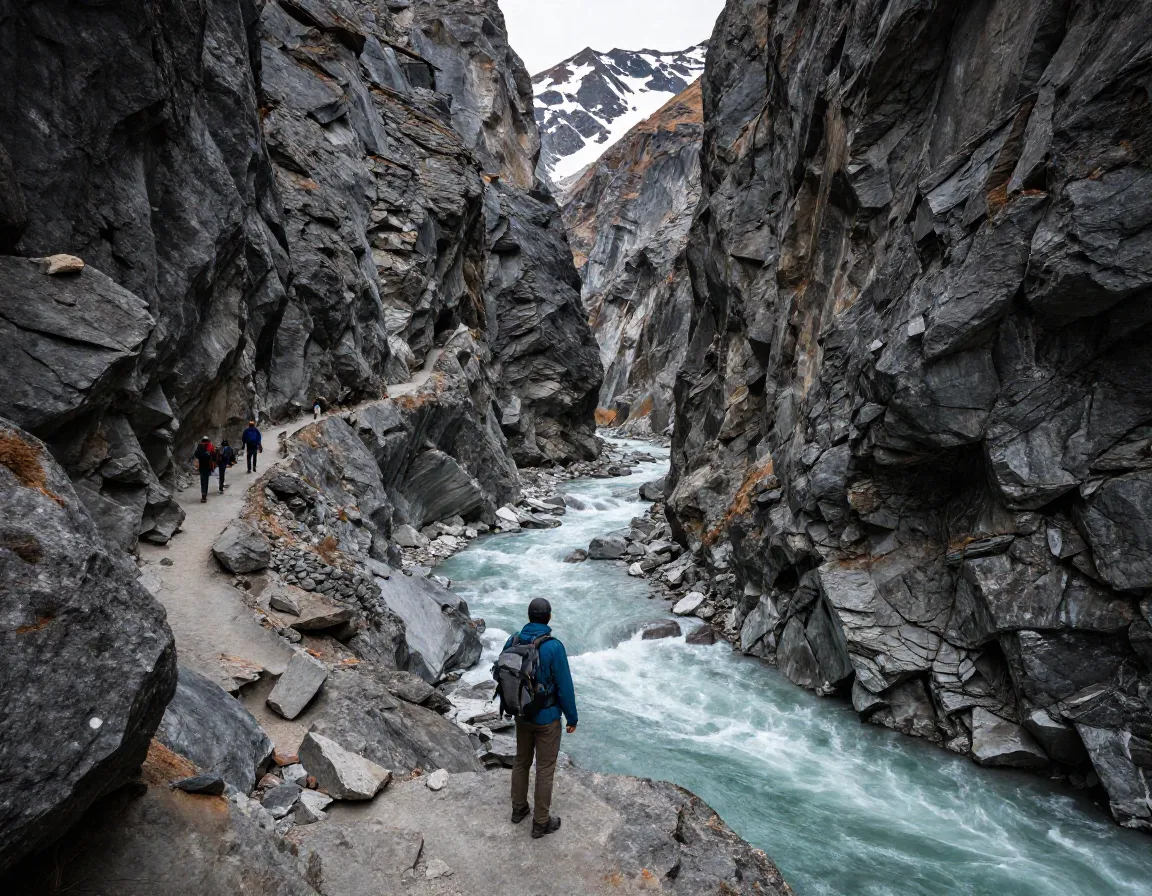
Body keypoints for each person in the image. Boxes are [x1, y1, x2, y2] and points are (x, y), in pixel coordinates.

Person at [505, 597, 577, 839]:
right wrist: (572, 717)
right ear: (549, 618)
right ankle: (541, 822)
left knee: (521, 761)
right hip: (547, 719)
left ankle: (518, 809)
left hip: (521, 714)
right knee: (545, 769)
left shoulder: (513, 639)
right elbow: (565, 686)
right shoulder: (553, 647)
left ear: (528, 616)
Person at [193, 437, 215, 503]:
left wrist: (201, 457)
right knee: (206, 480)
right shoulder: (209, 446)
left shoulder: (199, 447)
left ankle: (203, 495)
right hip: (207, 466)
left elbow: (196, 454)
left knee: (203, 480)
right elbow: (213, 455)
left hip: (202, 466)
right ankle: (204, 495)